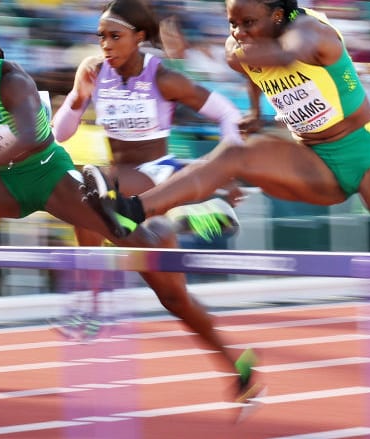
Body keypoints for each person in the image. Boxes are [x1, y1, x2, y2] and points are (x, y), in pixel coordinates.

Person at [0, 6, 263, 406]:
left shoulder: (14, 81)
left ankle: (225, 339)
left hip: (67, 177)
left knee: (164, 285)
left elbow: (32, 136)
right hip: (14, 186)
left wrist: (232, 153)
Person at [81, 0, 370, 288]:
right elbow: (253, 69)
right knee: (236, 154)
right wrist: (256, 111)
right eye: (232, 23)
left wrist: (224, 53)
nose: (238, 32)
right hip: (311, 159)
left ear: (279, 15)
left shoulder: (312, 32)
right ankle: (134, 209)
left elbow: (282, 57)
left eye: (248, 23)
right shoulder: (238, 49)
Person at [50, 0, 246, 337]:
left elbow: (228, 114)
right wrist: (77, 101)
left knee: (91, 189)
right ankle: (182, 223)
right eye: (101, 37)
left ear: (139, 36)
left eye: (115, 36)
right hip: (120, 178)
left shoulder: (164, 78)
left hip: (159, 172)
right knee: (170, 292)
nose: (106, 45)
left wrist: (230, 167)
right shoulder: (93, 72)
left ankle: (92, 304)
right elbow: (61, 133)